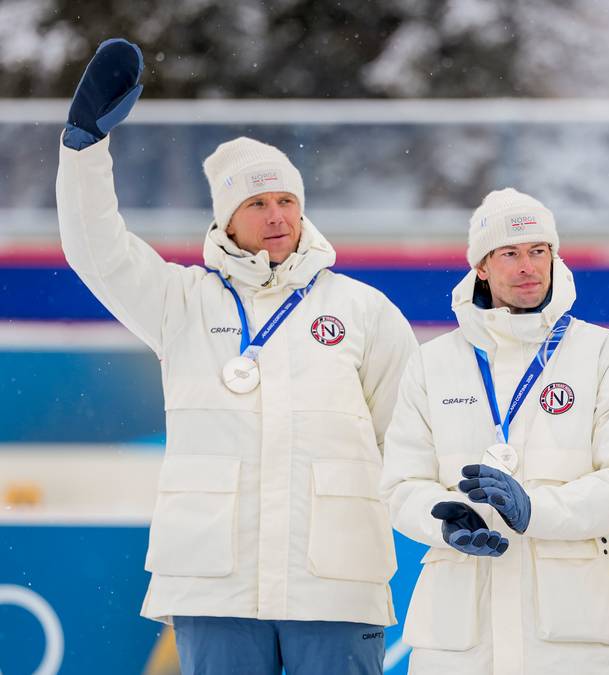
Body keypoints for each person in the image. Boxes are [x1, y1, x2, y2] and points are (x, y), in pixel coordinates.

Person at [56, 39, 419, 675]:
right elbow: (98, 250)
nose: (276, 215)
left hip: (336, 579)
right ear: (227, 217)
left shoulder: (365, 310)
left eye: (286, 201)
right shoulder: (182, 302)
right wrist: (84, 149)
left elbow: (413, 439)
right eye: (256, 203)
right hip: (214, 582)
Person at [380, 188, 609, 674]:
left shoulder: (605, 356)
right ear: (482, 267)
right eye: (509, 253)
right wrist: (446, 522)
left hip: (575, 635)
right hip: (458, 638)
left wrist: (537, 510)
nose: (527, 265)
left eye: (538, 251)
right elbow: (401, 485)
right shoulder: (433, 363)